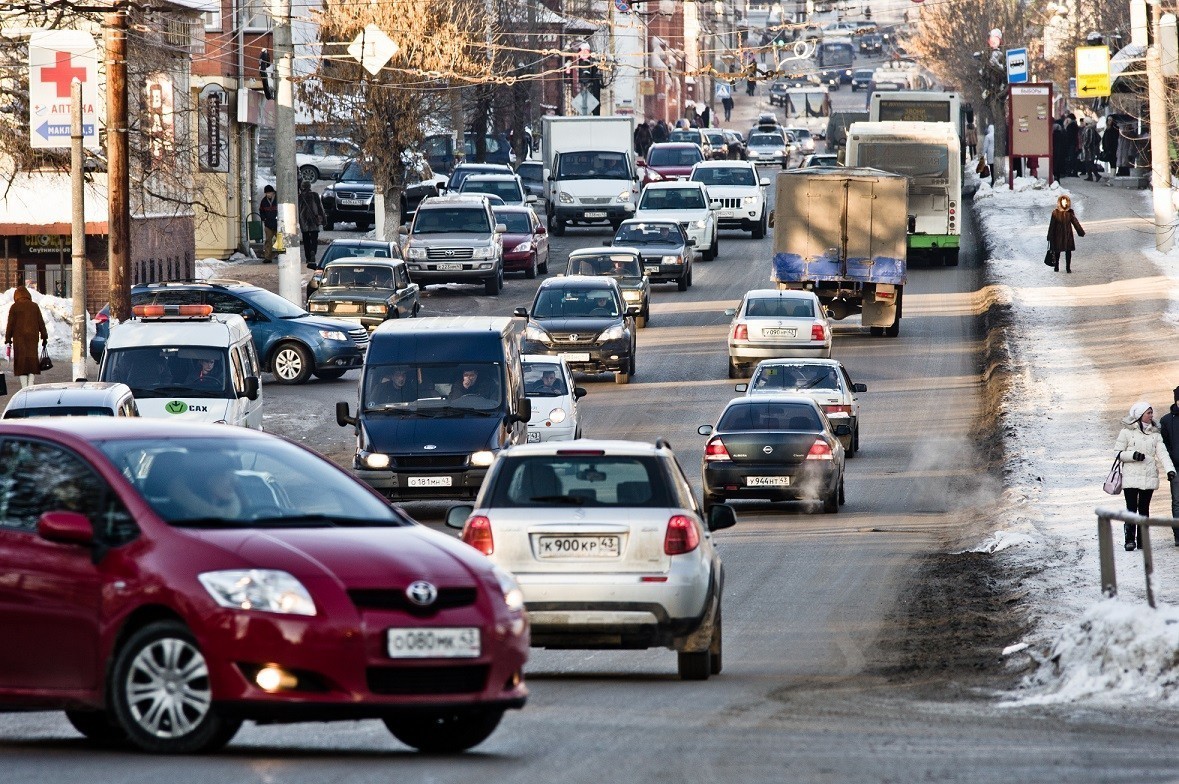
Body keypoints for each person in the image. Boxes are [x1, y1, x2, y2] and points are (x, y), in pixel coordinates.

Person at [1115, 401, 1176, 550]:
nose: (1151, 415)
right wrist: (1133, 455)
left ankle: (1143, 540)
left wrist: (1170, 469)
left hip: (1148, 475)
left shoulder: (1155, 433)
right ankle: (1129, 540)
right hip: (1130, 476)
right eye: (1148, 413)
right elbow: (1118, 453)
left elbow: (1163, 453)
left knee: (1144, 509)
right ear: (1140, 415)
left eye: (1151, 413)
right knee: (1131, 508)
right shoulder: (1126, 432)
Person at [4, 285, 49, 389]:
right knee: (32, 361)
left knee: (21, 363)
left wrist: (8, 339)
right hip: (32, 339)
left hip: (19, 340)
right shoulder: (34, 306)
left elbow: (10, 324)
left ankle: (24, 387)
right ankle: (31, 384)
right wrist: (44, 336)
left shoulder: (14, 307)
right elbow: (41, 323)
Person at [1158, 386, 1179, 544]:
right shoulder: (1166, 421)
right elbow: (1163, 445)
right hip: (1176, 467)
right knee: (1177, 501)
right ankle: (1178, 534)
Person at [1046, 194, 1085, 273]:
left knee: (1068, 252)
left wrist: (1080, 231)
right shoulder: (1055, 213)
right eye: (1063, 202)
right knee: (1057, 252)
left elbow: (1075, 222)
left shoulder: (1069, 213)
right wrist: (1049, 235)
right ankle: (1056, 266)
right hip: (1057, 236)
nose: (1064, 204)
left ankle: (1068, 268)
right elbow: (1052, 225)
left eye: (1065, 202)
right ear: (1060, 203)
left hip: (1067, 236)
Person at [298, 180, 326, 268]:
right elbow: (320, 208)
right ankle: (313, 251)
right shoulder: (315, 195)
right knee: (314, 239)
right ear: (309, 187)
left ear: (302, 187)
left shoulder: (299, 197)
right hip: (314, 220)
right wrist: (324, 220)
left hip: (304, 221)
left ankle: (308, 257)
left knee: (306, 240)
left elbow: (297, 210)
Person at [259, 185, 279, 263]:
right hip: (268, 224)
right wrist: (264, 218)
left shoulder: (278, 199)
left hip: (278, 223)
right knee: (268, 241)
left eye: (269, 193)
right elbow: (261, 211)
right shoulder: (264, 201)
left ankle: (282, 255)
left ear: (273, 192)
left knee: (280, 240)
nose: (268, 194)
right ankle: (268, 257)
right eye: (267, 193)